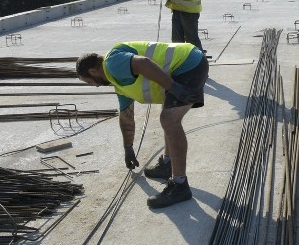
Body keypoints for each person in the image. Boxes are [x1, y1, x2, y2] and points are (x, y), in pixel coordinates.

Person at [76, 41, 209, 208]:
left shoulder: (112, 63)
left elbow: (142, 63)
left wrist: (173, 87)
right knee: (167, 114)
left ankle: (180, 185)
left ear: (93, 71)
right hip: (186, 64)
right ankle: (167, 164)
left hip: (189, 65)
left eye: (89, 82)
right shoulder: (117, 81)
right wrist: (128, 148)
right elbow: (126, 117)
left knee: (169, 119)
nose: (94, 86)